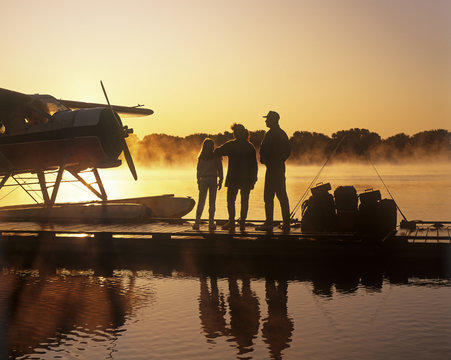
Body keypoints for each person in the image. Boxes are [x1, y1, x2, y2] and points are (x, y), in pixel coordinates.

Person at [214, 123, 258, 231]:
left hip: (233, 178)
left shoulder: (231, 145)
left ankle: (232, 222)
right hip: (247, 178)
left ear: (236, 133)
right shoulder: (250, 146)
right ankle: (242, 223)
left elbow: (217, 152)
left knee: (230, 201)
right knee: (244, 201)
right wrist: (254, 178)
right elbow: (254, 165)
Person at [256, 111, 291, 232]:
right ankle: (286, 223)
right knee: (282, 196)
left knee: (268, 196)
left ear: (273, 120)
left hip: (272, 169)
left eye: (267, 119)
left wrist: (267, 161)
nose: (265, 121)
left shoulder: (271, 134)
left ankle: (269, 223)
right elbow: (287, 151)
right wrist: (279, 160)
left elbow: (265, 150)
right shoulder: (282, 134)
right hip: (279, 168)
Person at [193, 138, 223, 230]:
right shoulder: (216, 157)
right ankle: (211, 223)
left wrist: (198, 181)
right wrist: (221, 180)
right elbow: (220, 169)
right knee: (212, 202)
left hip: (203, 179)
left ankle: (197, 223)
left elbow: (198, 170)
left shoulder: (201, 157)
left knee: (201, 201)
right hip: (213, 179)